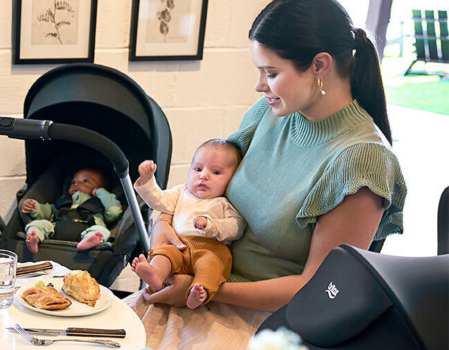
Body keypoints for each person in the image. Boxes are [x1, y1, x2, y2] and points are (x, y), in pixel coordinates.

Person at [124, 0, 407, 348]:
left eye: (271, 73)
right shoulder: (270, 113)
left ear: (320, 65)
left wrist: (205, 290)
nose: (260, 85)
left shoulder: (362, 162)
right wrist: (163, 224)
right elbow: (201, 189)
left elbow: (316, 289)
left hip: (264, 319)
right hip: (200, 284)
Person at [131, 139, 245, 309]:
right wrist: (148, 180)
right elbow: (158, 200)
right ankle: (155, 274)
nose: (203, 175)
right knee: (164, 253)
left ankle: (199, 292)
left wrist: (212, 225)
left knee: (211, 265)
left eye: (215, 172)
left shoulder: (224, 203)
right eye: (198, 169)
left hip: (210, 248)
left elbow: (236, 228)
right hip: (179, 246)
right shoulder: (181, 192)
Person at [22, 168, 123, 253]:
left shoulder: (100, 204)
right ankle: (34, 238)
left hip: (87, 229)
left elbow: (114, 211)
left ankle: (90, 240)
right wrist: (35, 208)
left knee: (101, 231)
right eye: (73, 182)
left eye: (85, 181)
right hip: (57, 228)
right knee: (39, 224)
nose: (76, 184)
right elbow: (48, 211)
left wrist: (101, 192)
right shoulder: (64, 200)